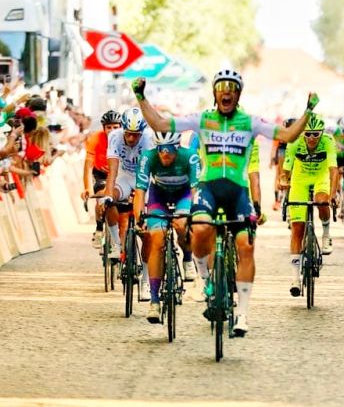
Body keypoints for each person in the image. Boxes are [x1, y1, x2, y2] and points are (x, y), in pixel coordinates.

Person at [131, 70, 319, 336]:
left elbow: (287, 136)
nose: (226, 91)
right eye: (222, 87)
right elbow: (161, 125)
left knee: (246, 245)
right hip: (209, 189)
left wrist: (308, 111)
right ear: (215, 93)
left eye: (232, 87)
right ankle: (206, 283)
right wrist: (140, 98)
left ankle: (242, 313)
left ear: (238, 93)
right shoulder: (203, 119)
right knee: (199, 231)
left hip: (237, 191)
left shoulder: (250, 121)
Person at [134, 131, 200, 323]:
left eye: (169, 150)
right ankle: (154, 301)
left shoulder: (190, 157)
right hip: (159, 196)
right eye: (161, 150)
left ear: (177, 148)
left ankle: (188, 258)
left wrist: (195, 215)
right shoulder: (148, 157)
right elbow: (140, 191)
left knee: (181, 224)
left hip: (183, 195)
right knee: (156, 239)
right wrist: (140, 217)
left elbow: (196, 191)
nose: (165, 154)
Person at [279, 114, 337, 295]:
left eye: (316, 134)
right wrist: (283, 180)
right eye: (308, 134)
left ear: (321, 133)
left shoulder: (328, 141)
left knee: (321, 202)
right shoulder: (295, 141)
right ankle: (295, 278)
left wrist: (333, 195)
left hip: (321, 178)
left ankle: (326, 233)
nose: (312, 138)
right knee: (297, 229)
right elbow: (286, 170)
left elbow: (333, 171)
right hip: (300, 180)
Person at [101, 107, 154, 298]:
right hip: (124, 176)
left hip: (143, 178)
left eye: (135, 135)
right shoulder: (114, 136)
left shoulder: (148, 138)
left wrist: (141, 197)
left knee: (147, 233)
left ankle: (146, 282)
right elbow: (113, 169)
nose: (131, 139)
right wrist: (108, 194)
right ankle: (117, 245)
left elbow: (149, 170)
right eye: (129, 134)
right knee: (108, 201)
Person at [82, 110, 122, 249]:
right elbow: (88, 167)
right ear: (103, 128)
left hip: (119, 174)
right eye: (108, 127)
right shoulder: (95, 138)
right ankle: (99, 228)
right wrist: (88, 188)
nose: (112, 130)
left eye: (115, 127)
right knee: (101, 196)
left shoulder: (125, 138)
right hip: (101, 174)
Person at [270, 118, 296, 211]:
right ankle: (277, 199)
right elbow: (274, 147)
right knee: (279, 174)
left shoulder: (298, 134)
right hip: (282, 151)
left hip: (292, 152)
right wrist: (272, 159)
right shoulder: (280, 134)